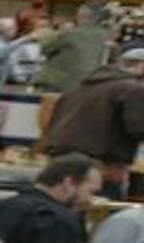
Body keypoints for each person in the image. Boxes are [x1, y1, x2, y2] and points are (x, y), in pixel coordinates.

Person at [43, 44, 144, 193]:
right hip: (102, 165)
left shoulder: (79, 87)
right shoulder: (132, 89)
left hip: (60, 161)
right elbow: (138, 128)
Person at [38, 6, 111, 95]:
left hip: (63, 83)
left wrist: (47, 36)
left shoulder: (72, 33)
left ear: (80, 16)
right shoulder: (105, 34)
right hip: (92, 83)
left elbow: (46, 49)